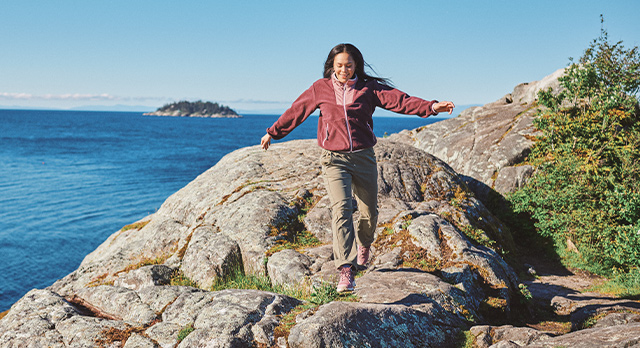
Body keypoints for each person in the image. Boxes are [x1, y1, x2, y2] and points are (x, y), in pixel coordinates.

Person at [261, 43, 454, 292]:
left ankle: (365, 244)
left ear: (356, 66)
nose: (343, 70)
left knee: (369, 213)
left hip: (363, 158)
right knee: (341, 209)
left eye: (348, 65)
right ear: (332, 66)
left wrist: (431, 107)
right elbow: (296, 111)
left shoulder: (368, 88)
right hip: (334, 160)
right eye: (339, 65)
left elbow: (400, 101)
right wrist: (273, 133)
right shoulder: (320, 89)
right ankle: (346, 270)